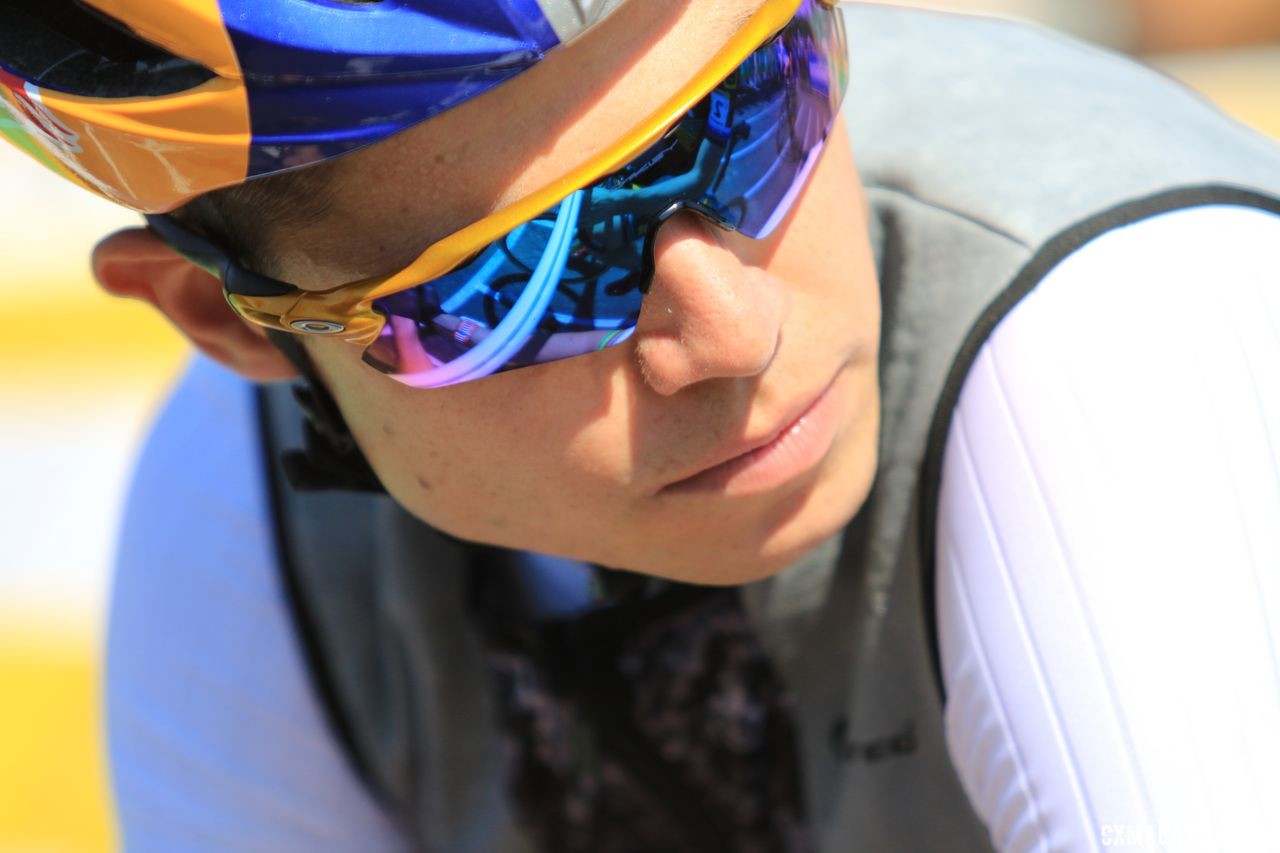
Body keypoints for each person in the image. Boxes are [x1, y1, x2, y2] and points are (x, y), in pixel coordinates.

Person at [3, 0, 1280, 850]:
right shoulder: (241, 508)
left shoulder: (1113, 336)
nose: (728, 333)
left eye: (756, 110)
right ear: (233, 329)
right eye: (517, 278)